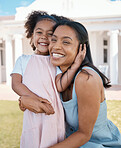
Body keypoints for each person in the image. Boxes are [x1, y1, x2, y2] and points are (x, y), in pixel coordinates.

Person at [47, 20, 121, 148]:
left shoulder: (86, 79)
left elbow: (84, 134)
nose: (56, 46)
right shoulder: (56, 73)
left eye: (66, 42)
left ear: (82, 48)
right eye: (53, 40)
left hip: (101, 144)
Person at [10, 11, 73, 148]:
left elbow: (60, 86)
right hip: (32, 112)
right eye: (39, 32)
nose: (44, 37)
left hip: (53, 113)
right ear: (31, 36)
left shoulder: (57, 61)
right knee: (32, 140)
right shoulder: (23, 60)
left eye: (50, 34)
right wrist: (35, 100)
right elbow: (16, 83)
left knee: (52, 142)